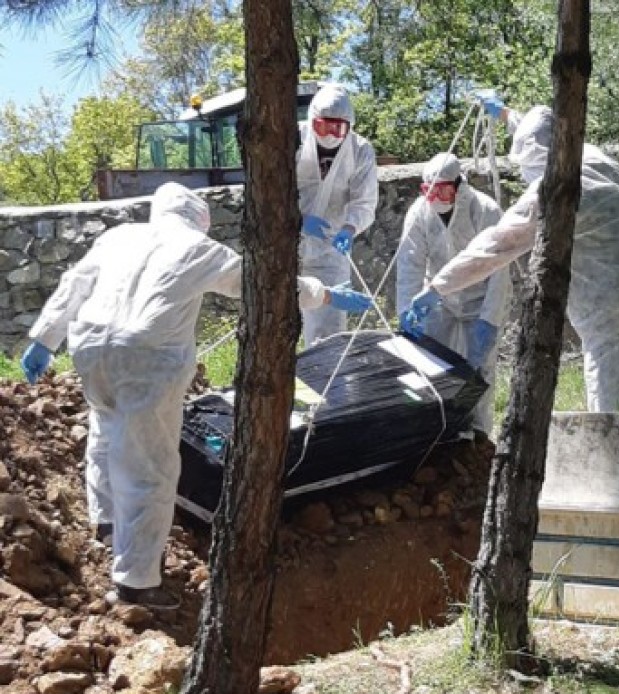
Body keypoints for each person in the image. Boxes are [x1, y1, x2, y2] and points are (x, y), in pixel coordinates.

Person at [18, 184, 373, 608]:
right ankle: (137, 582)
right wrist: (326, 294)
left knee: (106, 428)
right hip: (149, 357)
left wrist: (44, 338)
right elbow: (266, 284)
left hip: (91, 348)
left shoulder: (118, 237)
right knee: (150, 466)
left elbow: (73, 284)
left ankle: (108, 524)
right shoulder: (198, 248)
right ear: (198, 219)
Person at [403, 100, 619, 426]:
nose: (527, 175)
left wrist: (436, 287)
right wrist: (507, 115)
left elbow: (495, 246)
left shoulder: (557, 192)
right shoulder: (597, 159)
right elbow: (544, 134)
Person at [394, 152, 508, 434]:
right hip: (437, 302)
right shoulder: (420, 213)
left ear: (459, 186)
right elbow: (410, 265)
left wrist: (489, 319)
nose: (436, 199)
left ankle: (478, 435)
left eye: (443, 191)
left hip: (479, 301)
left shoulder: (485, 210)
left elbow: (500, 269)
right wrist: (406, 312)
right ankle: (438, 432)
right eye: (429, 191)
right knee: (432, 367)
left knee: (477, 373)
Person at [297, 83, 380, 347]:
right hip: (284, 246)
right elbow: (270, 194)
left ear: (350, 126)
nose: (331, 135)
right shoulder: (293, 139)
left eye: (339, 128)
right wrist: (295, 221)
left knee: (328, 333)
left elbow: (364, 201)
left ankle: (322, 384)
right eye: (324, 126)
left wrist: (349, 229)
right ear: (312, 120)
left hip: (330, 251)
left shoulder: (360, 150)